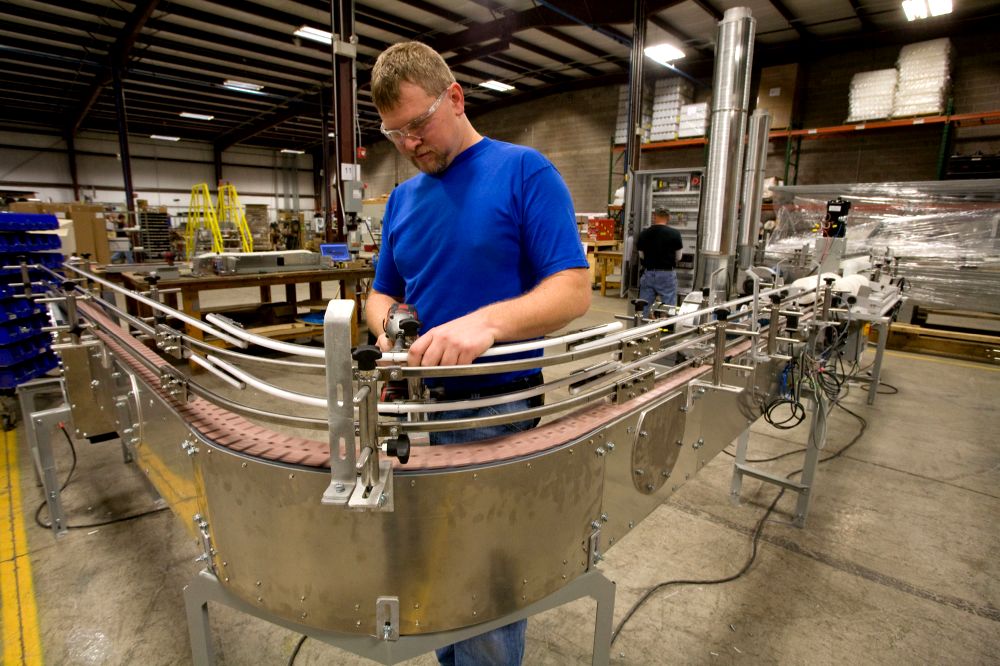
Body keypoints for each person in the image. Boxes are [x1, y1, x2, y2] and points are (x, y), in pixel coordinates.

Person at [364, 41, 591, 665]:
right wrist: (390, 328)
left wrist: (486, 324)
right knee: (439, 560)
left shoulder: (523, 171)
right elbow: (381, 293)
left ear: (456, 98)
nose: (409, 143)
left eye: (418, 124)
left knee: (483, 578)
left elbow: (573, 289)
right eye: (394, 134)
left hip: (496, 406)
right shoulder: (403, 199)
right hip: (422, 405)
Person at [636, 207, 683, 316]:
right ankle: (668, 325)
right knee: (669, 307)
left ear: (654, 216)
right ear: (668, 217)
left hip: (649, 273)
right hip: (667, 274)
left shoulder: (644, 234)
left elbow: (641, 255)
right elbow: (679, 257)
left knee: (644, 306)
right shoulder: (675, 234)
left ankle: (642, 324)